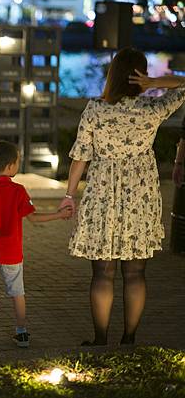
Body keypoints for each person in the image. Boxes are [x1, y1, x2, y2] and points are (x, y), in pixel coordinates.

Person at [60, 48, 185, 346]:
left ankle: (100, 340)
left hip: (102, 193)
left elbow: (81, 157)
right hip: (141, 195)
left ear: (112, 74)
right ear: (139, 76)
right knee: (135, 273)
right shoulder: (151, 110)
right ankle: (129, 339)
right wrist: (154, 82)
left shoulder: (95, 109)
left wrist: (69, 194)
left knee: (103, 272)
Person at [0, 141, 72, 347]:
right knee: (17, 291)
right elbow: (33, 218)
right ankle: (22, 332)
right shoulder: (18, 191)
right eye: (18, 162)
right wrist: (59, 215)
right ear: (10, 166)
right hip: (11, 252)